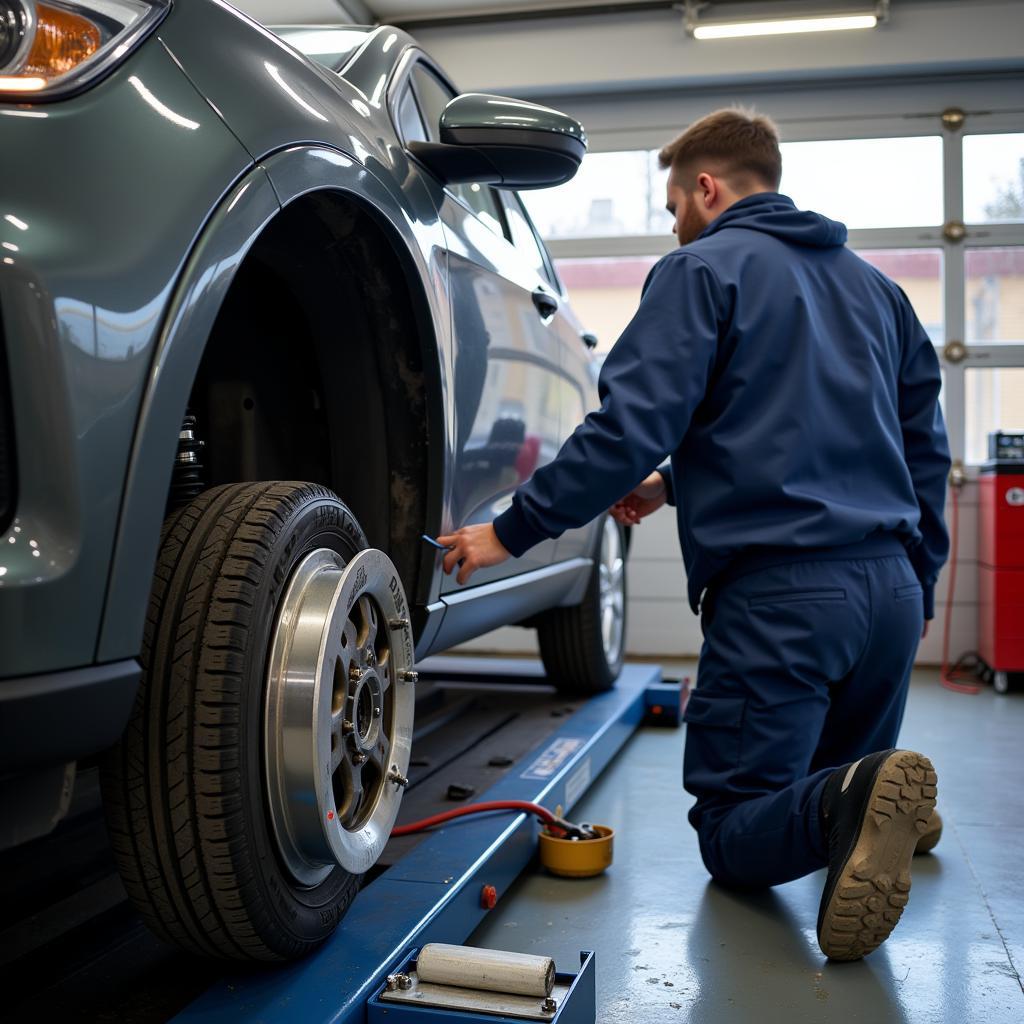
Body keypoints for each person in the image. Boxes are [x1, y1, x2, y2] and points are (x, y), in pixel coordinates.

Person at [436, 108, 950, 961]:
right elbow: (914, 448)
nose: (674, 225)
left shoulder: (700, 271)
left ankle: (848, 804)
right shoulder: (878, 291)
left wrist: (509, 532)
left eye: (675, 205)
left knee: (732, 830)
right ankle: (864, 802)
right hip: (890, 591)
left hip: (785, 599)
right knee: (847, 775)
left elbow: (627, 426)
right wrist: (920, 584)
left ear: (706, 189)